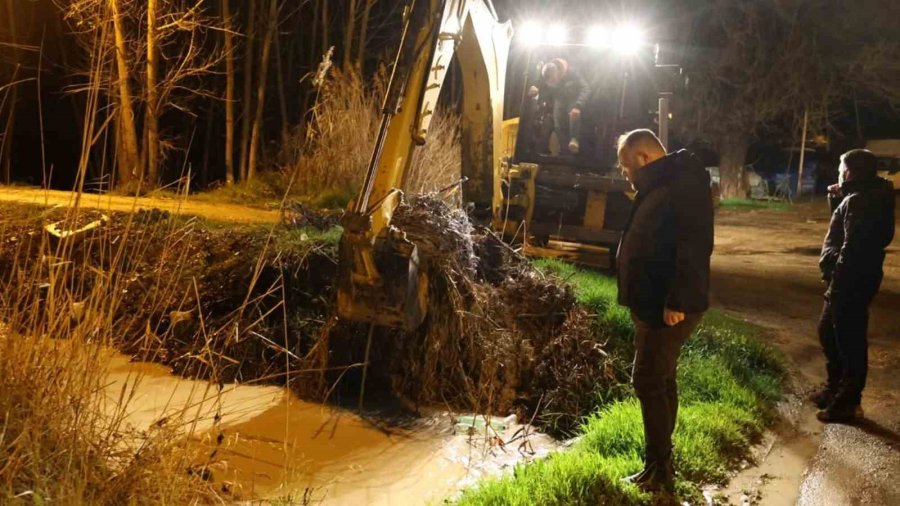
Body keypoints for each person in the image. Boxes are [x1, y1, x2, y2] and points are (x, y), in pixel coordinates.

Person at [615, 129, 714, 492]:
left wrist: (677, 300)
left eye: (627, 167)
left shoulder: (680, 185)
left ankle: (659, 470)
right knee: (661, 378)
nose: (626, 175)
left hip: (667, 306)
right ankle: (661, 464)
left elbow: (694, 245)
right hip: (654, 301)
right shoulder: (662, 184)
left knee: (648, 381)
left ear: (643, 158)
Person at [813, 149, 895, 423]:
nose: (838, 172)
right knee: (828, 332)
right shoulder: (861, 196)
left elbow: (852, 245)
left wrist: (837, 274)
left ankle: (847, 402)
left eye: (841, 167)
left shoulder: (861, 200)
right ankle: (835, 388)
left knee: (848, 340)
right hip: (851, 278)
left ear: (848, 171)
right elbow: (840, 227)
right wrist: (836, 199)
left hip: (850, 280)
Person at [528, 58, 591, 155]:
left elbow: (585, 88)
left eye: (554, 80)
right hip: (560, 99)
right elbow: (541, 87)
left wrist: (578, 105)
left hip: (574, 98)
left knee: (573, 111)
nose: (553, 83)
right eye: (550, 82)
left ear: (559, 73)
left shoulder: (573, 73)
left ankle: (574, 138)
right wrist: (535, 90)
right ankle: (564, 149)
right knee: (557, 119)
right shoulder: (547, 75)